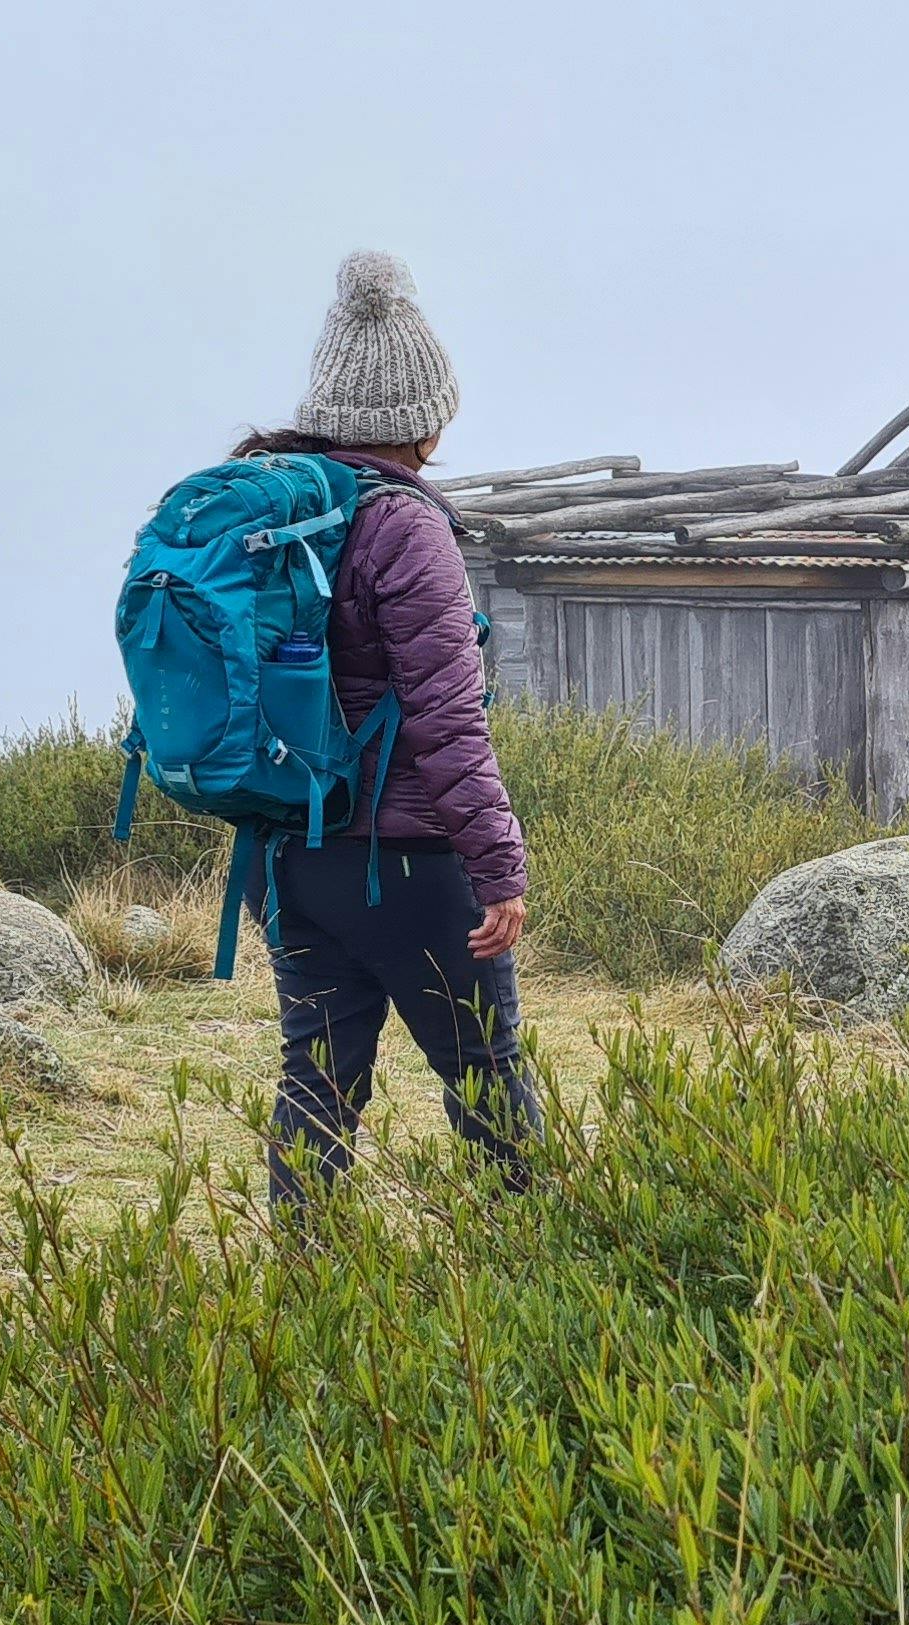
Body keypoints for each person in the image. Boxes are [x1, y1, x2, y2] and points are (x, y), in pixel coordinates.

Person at [237, 251, 539, 1201]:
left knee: (318, 1085)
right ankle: (536, 1273)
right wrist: (498, 867)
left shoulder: (278, 514)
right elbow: (449, 719)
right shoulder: (405, 526)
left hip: (289, 856)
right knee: (489, 1077)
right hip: (405, 864)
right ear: (426, 415)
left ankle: (303, 1291)